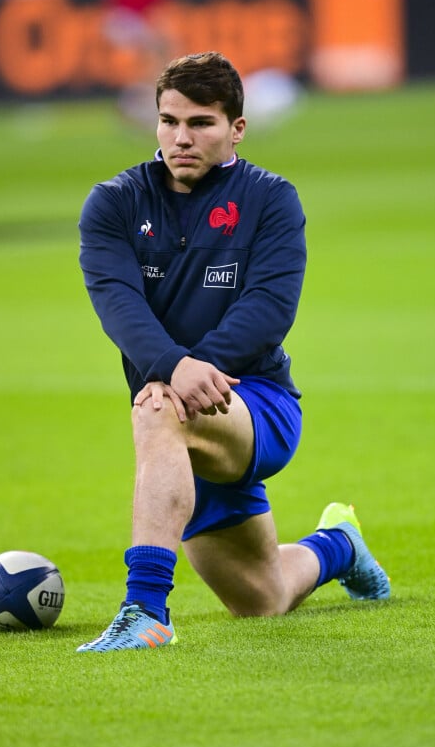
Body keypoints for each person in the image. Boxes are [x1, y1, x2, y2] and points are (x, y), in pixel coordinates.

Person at [76, 51, 390, 653]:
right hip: (180, 428)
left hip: (257, 404)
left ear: (236, 128)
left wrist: (191, 371)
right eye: (169, 121)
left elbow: (269, 310)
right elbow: (117, 304)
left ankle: (144, 611)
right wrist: (176, 367)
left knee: (157, 410)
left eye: (201, 123)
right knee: (263, 598)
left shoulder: (271, 199)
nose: (181, 137)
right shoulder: (114, 202)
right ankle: (341, 545)